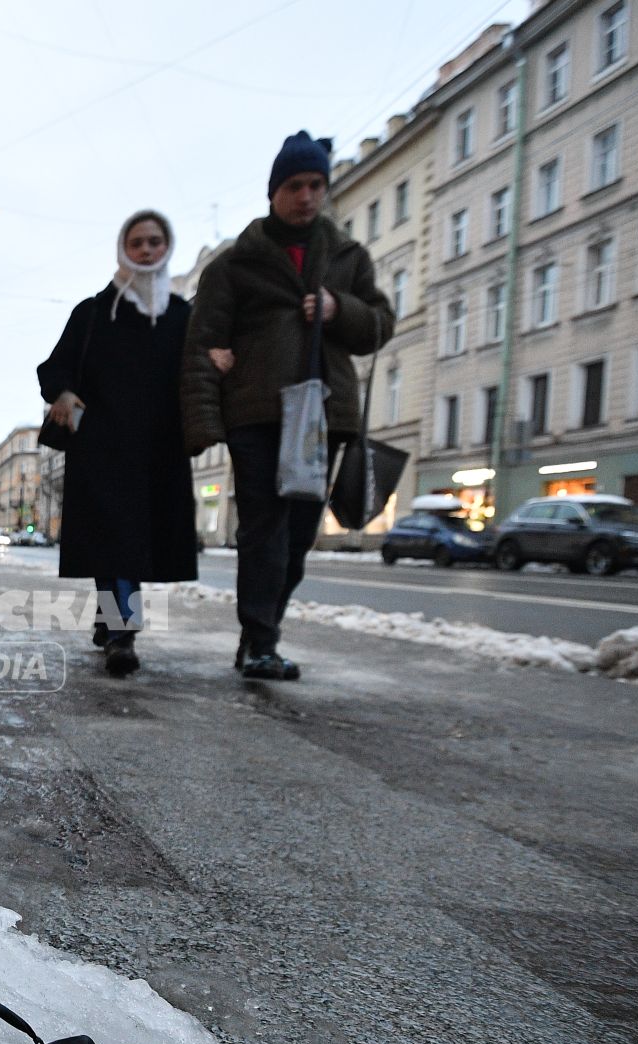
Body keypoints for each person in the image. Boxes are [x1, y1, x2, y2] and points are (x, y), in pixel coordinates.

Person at [181, 131, 393, 680]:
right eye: (295, 186)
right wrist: (204, 426)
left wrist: (336, 308)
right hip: (259, 414)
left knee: (299, 535)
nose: (306, 196)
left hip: (323, 416)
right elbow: (202, 345)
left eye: (315, 185)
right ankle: (260, 641)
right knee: (263, 530)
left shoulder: (348, 257)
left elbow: (378, 325)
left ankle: (261, 634)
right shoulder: (235, 266)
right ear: (274, 191)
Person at [38, 210, 198, 678]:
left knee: (131, 543)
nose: (146, 250)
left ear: (166, 247)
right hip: (102, 448)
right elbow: (54, 368)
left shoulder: (183, 315)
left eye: (154, 242)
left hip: (159, 451)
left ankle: (111, 622)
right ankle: (122, 633)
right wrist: (65, 394)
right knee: (114, 540)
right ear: (123, 249)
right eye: (137, 243)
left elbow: (197, 375)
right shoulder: (92, 313)